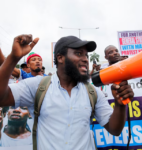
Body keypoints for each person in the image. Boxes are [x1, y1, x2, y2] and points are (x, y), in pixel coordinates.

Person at [0, 34, 134, 150]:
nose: (85, 59)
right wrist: (13, 58)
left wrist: (120, 104)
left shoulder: (92, 92)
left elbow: (115, 129)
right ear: (60, 58)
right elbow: (2, 97)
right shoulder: (38, 86)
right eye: (78, 53)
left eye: (86, 55)